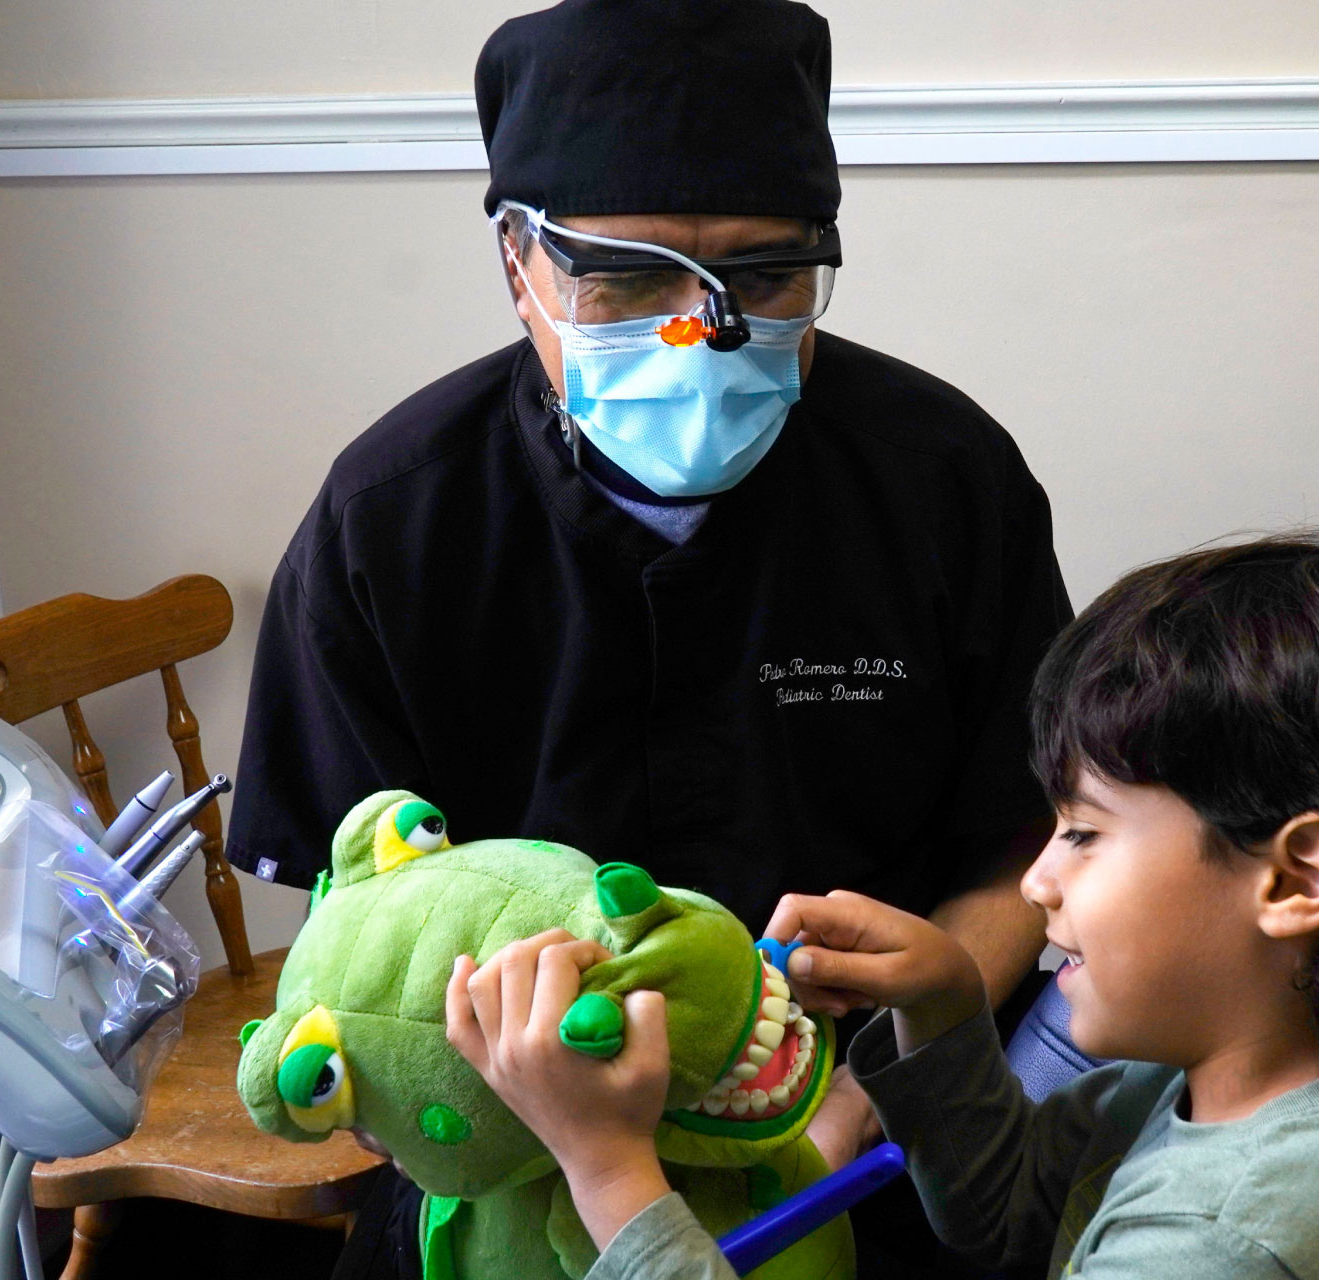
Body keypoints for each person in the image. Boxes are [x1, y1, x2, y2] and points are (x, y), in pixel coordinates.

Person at [225, 1, 1069, 1274]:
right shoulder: (390, 521)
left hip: (858, 1133)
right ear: (521, 266)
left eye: (765, 274)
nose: (703, 328)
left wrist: (852, 1096)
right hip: (508, 1164)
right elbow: (354, 928)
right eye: (627, 278)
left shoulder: (944, 480)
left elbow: (1029, 844)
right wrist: (544, 1147)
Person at [445, 531, 1319, 1278]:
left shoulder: (1231, 1237)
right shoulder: (1227, 1062)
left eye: (1087, 831)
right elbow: (1007, 1217)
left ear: (1295, 879)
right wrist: (946, 1010)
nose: (1037, 881)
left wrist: (607, 1170)